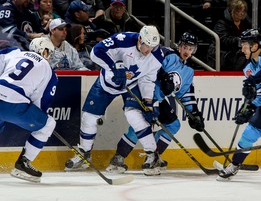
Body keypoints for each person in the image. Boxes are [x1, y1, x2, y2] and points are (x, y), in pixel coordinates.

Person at [64, 26, 165, 176]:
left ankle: (152, 156)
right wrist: (113, 67)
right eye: (146, 45)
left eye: (152, 47)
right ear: (139, 39)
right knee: (89, 117)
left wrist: (148, 102)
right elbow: (95, 52)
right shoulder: (122, 40)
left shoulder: (156, 55)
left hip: (131, 85)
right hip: (106, 84)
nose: (148, 50)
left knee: (135, 116)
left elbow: (147, 79)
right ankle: (84, 154)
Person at [105, 32, 205, 173]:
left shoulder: (188, 71)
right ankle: (118, 159)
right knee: (141, 126)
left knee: (173, 124)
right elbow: (148, 63)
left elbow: (186, 94)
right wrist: (162, 76)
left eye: (191, 49)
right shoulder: (168, 54)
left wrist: (194, 114)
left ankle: (153, 157)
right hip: (143, 92)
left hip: (158, 99)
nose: (187, 51)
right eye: (185, 47)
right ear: (179, 46)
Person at [217, 29, 261, 181]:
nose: (242, 49)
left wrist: (252, 81)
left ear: (255, 46)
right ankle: (235, 165)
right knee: (249, 133)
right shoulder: (248, 68)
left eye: (245, 45)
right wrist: (249, 107)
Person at [0, 32, 58, 183]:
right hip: (14, 105)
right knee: (48, 124)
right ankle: (23, 164)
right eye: (49, 53)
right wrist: (39, 119)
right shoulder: (48, 70)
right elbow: (41, 103)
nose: (49, 57)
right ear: (44, 51)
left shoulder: (14, 52)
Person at [206, 0, 251, 70]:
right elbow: (223, 40)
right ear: (232, 11)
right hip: (222, 54)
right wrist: (239, 40)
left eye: (243, 11)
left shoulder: (246, 22)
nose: (241, 13)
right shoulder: (221, 23)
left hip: (237, 52)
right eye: (238, 11)